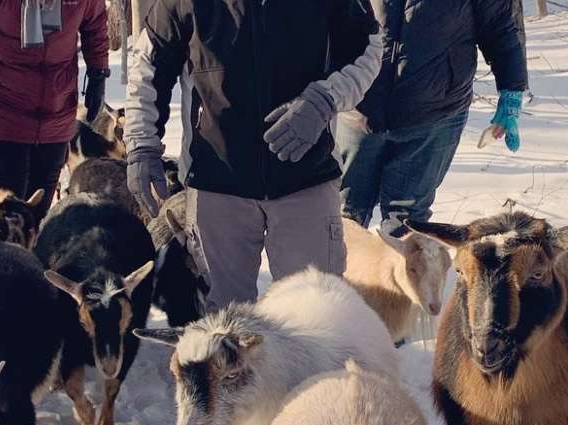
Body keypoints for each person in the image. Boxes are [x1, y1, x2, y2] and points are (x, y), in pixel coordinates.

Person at [125, 0, 381, 310]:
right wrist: (141, 145)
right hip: (216, 183)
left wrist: (324, 99)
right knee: (224, 323)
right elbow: (149, 65)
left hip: (306, 178)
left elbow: (367, 50)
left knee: (317, 313)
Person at [337, 0, 528, 229]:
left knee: (405, 224)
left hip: (434, 115)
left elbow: (501, 25)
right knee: (343, 217)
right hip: (356, 108)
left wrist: (511, 91)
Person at [0, 0, 109, 206]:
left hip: (56, 101)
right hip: (0, 97)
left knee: (40, 199)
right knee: (7, 197)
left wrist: (98, 73)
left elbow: (95, 24)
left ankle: (35, 236)